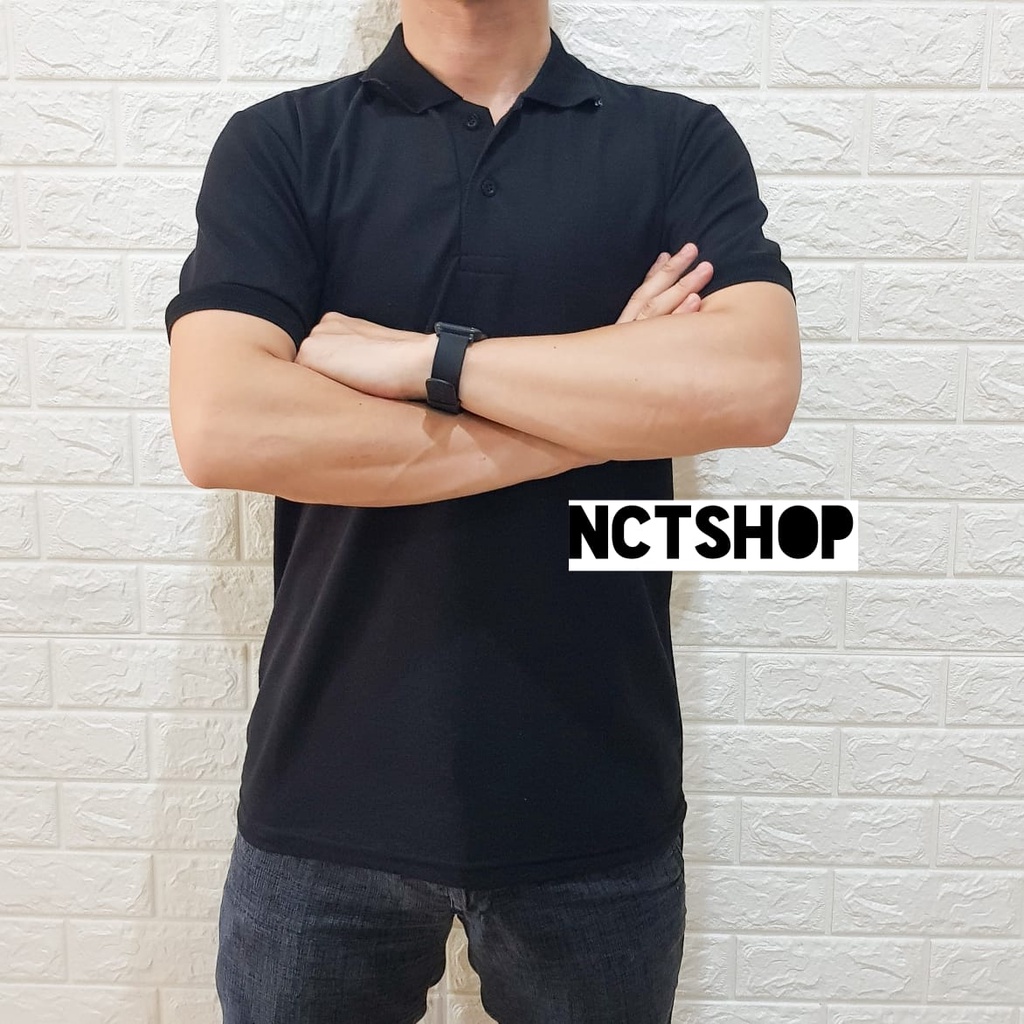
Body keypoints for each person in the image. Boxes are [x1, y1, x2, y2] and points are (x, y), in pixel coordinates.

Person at [165, 0, 800, 1020]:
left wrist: (424, 362)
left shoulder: (675, 141)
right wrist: (603, 404)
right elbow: (223, 427)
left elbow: (753, 386)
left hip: (596, 802)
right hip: (321, 801)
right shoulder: (284, 143)